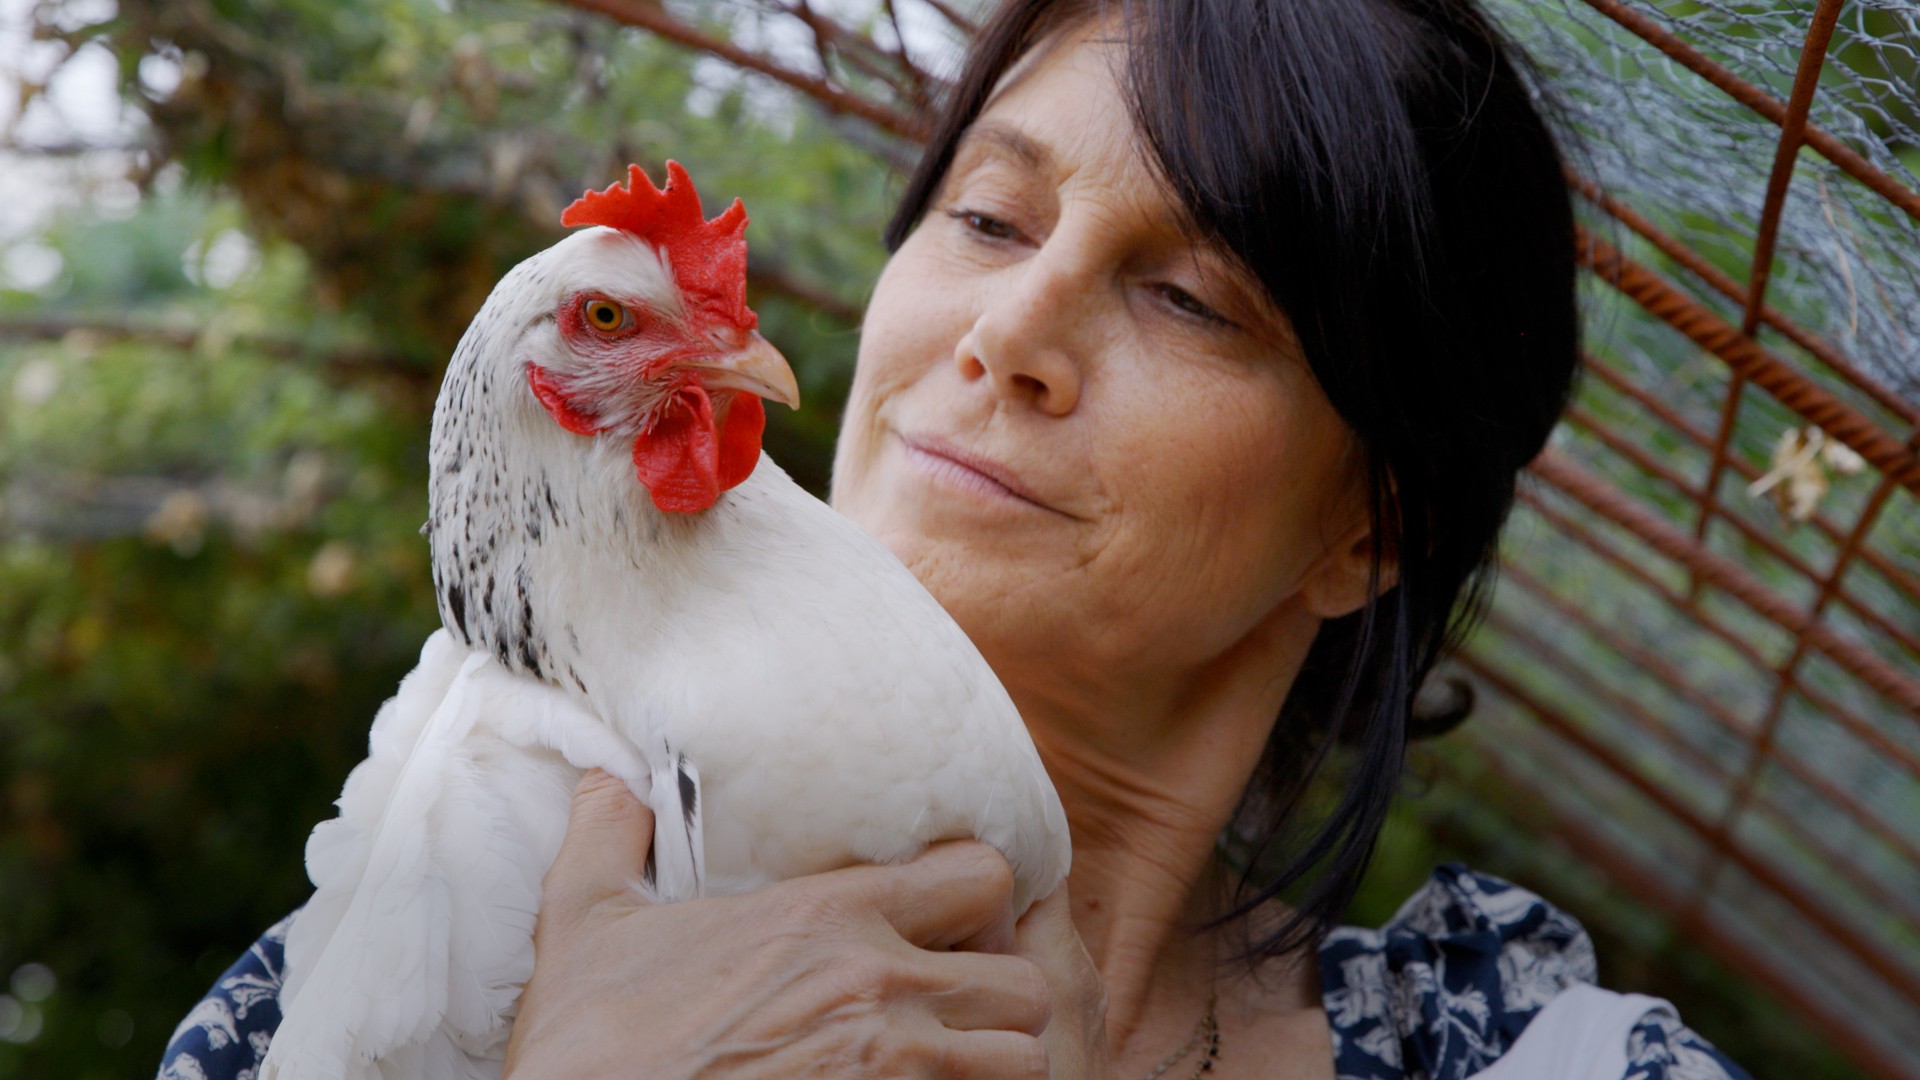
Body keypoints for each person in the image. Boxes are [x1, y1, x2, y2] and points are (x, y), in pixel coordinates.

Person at [160, 0, 1759, 1076]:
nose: (1009, 327)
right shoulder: (398, 931)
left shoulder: (1530, 1051)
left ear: (1364, 522)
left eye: (1192, 298)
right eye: (989, 218)